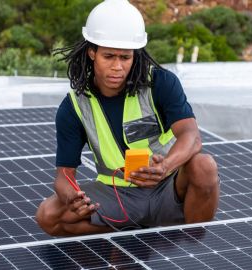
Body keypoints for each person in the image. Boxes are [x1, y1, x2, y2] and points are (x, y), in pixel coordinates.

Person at [36, 0, 219, 236]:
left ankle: (191, 241)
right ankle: (130, 234)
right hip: (116, 193)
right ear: (92, 52)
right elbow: (64, 175)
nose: (117, 67)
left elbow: (192, 137)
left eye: (125, 57)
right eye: (109, 56)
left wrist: (165, 167)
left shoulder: (161, 83)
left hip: (168, 186)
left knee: (204, 165)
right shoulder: (73, 107)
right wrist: (71, 196)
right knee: (48, 215)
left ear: (135, 55)